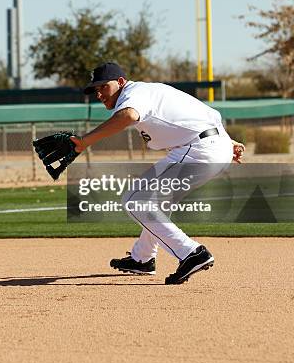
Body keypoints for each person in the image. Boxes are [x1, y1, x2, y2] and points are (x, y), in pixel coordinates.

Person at [71, 62, 245, 285]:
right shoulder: (148, 91)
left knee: (134, 200)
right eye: (96, 89)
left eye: (104, 86)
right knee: (156, 203)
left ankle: (191, 253)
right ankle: (142, 258)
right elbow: (200, 115)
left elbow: (129, 115)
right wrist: (225, 142)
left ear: (121, 82)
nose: (99, 93)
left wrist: (85, 141)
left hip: (198, 149)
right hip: (208, 145)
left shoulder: (133, 94)